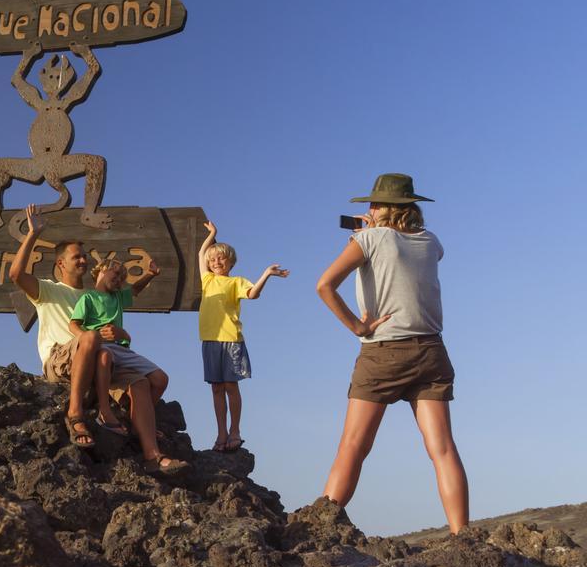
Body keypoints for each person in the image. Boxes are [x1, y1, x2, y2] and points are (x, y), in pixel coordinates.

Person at [315, 173, 469, 534]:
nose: (368, 209)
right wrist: (378, 233)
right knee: (443, 449)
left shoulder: (368, 238)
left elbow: (324, 285)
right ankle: (463, 535)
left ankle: (320, 529)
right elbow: (407, 254)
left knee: (353, 446)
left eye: (374, 203)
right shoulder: (432, 241)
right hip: (431, 351)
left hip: (382, 353)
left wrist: (357, 326)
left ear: (387, 207)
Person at [69, 258, 188, 474]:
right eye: (114, 273)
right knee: (104, 357)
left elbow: (136, 289)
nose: (118, 279)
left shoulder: (117, 298)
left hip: (122, 348)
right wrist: (85, 338)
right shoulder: (88, 297)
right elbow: (73, 323)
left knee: (160, 379)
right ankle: (105, 411)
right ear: (100, 272)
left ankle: (137, 422)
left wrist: (150, 274)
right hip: (101, 346)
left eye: (122, 277)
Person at [9, 204, 106, 448]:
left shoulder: (92, 297)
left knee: (154, 379)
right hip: (59, 360)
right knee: (91, 338)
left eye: (84, 256)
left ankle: (150, 449)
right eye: (77, 257)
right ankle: (75, 414)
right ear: (61, 264)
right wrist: (33, 234)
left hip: (93, 359)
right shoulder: (48, 290)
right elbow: (16, 274)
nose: (83, 260)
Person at [197, 220, 289, 452]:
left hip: (231, 339)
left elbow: (253, 294)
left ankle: (235, 431)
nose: (216, 262)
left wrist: (266, 274)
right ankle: (221, 433)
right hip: (209, 339)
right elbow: (200, 253)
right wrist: (213, 234)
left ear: (231, 262)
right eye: (213, 259)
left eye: (221, 258)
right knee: (216, 388)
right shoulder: (207, 279)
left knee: (231, 386)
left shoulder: (236, 282)